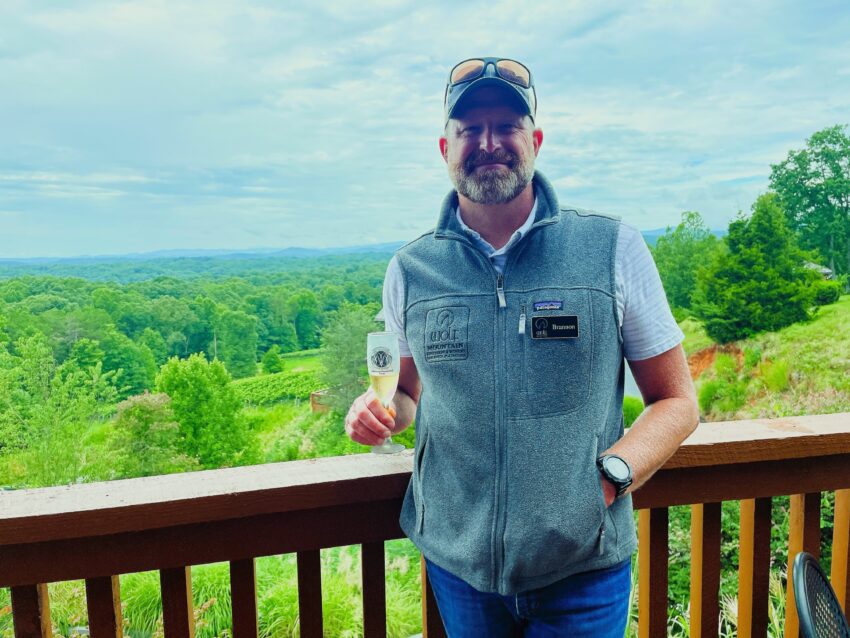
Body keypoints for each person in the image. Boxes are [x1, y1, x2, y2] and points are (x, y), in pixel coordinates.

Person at [345, 57, 699, 637]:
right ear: (445, 148)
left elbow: (677, 401)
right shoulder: (410, 269)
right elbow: (406, 394)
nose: (489, 143)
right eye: (469, 130)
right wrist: (379, 411)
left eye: (507, 126)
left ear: (534, 140)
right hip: (459, 571)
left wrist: (610, 476)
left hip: (584, 569)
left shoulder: (612, 247)